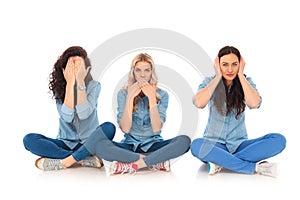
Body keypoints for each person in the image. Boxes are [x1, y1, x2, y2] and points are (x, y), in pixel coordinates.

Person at [83, 53, 191, 175]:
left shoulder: (162, 94)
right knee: (100, 146)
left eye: (147, 70)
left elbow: (156, 128)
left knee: (184, 141)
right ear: (133, 72)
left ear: (152, 72)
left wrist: (151, 97)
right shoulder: (123, 94)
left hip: (154, 146)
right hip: (130, 147)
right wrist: (130, 97)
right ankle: (154, 162)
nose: (143, 75)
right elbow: (125, 128)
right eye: (138, 70)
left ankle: (134, 165)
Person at [190, 46, 286, 177]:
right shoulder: (209, 82)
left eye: (234, 64)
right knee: (196, 145)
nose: (230, 69)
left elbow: (254, 103)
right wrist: (218, 76)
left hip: (239, 145)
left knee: (279, 139)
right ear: (218, 65)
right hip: (213, 145)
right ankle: (254, 168)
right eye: (225, 65)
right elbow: (199, 103)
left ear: (240, 65)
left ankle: (221, 162)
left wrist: (240, 75)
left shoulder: (246, 82)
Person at [23, 46, 116, 171]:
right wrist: (71, 83)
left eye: (79, 66)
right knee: (29, 139)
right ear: (64, 70)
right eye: (72, 66)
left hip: (89, 143)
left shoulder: (94, 86)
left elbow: (84, 114)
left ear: (87, 69)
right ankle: (82, 159)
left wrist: (80, 82)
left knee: (109, 128)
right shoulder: (59, 90)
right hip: (65, 143)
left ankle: (64, 161)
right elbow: (67, 116)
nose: (75, 70)